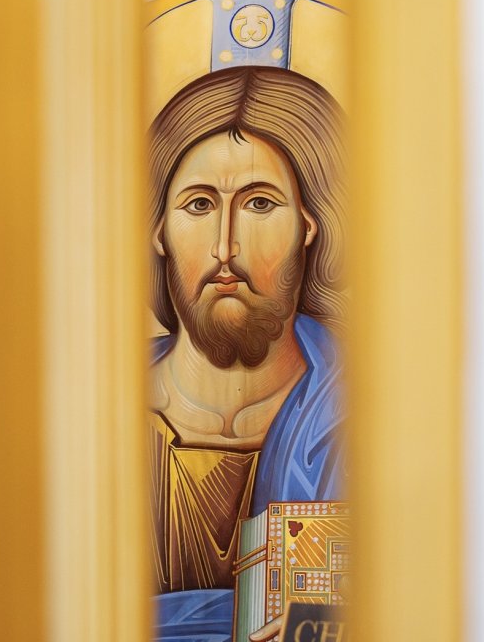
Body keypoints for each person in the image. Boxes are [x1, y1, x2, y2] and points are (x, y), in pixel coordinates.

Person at [146, 66, 346, 642]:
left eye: (260, 203)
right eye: (199, 204)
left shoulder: (367, 415)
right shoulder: (91, 410)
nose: (225, 246)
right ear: (158, 230)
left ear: (310, 225)